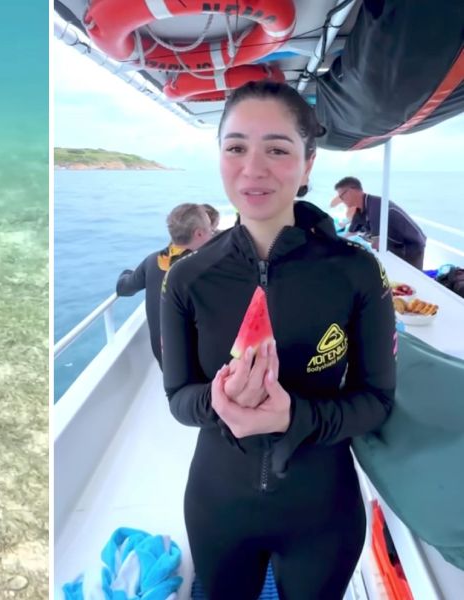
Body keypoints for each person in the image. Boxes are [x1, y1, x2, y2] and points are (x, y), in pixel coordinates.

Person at [160, 81, 396, 599]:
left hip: (323, 511)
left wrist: (294, 417)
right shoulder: (187, 279)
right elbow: (179, 398)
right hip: (218, 505)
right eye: (237, 147)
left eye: (277, 149)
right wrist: (217, 400)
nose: (253, 167)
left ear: (308, 163)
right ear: (220, 155)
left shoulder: (356, 272)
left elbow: (376, 401)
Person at [116, 203, 213, 368]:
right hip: (201, 365)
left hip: (166, 363)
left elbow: (123, 288)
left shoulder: (152, 261)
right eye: (210, 229)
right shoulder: (207, 267)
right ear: (199, 233)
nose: (212, 234)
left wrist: (127, 273)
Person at [331, 176, 427, 269]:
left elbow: (377, 244)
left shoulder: (376, 206)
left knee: (408, 280)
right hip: (394, 246)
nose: (341, 200)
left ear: (351, 192)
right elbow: (350, 233)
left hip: (411, 246)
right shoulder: (360, 209)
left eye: (341, 196)